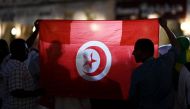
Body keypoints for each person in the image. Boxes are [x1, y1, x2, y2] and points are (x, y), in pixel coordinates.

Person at [128, 18, 180, 109]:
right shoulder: (166, 62)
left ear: (145, 52)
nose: (133, 53)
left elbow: (132, 100)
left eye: (136, 50)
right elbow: (176, 46)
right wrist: (165, 27)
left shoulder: (137, 73)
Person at [2, 39, 44, 109]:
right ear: (18, 51)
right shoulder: (16, 67)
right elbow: (16, 92)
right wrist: (36, 93)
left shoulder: (13, 63)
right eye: (26, 49)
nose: (28, 51)